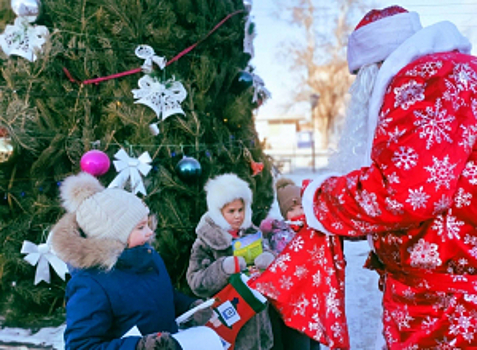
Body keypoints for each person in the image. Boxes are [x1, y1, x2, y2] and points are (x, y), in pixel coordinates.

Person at [300, 5, 477, 349]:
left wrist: (314, 199)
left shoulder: (426, 79)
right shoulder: (455, 74)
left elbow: (403, 192)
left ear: (373, 69)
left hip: (444, 307)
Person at [50, 172, 212, 350]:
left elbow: (161, 295)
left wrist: (189, 308)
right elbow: (80, 346)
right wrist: (138, 346)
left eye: (147, 223)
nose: (150, 232)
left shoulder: (147, 256)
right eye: (141, 227)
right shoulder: (90, 285)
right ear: (113, 237)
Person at [252, 178, 348, 350]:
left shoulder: (314, 230)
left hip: (312, 301)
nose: (297, 213)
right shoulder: (279, 235)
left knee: (314, 342)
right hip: (293, 303)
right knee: (299, 343)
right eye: (291, 209)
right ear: (284, 213)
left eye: (301, 207)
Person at [186, 173, 274, 350]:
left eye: (240, 210)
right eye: (231, 211)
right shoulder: (206, 240)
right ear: (218, 212)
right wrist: (223, 268)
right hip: (228, 325)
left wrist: (268, 258)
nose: (237, 216)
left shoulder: (252, 233)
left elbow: (273, 276)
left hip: (257, 322)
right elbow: (196, 281)